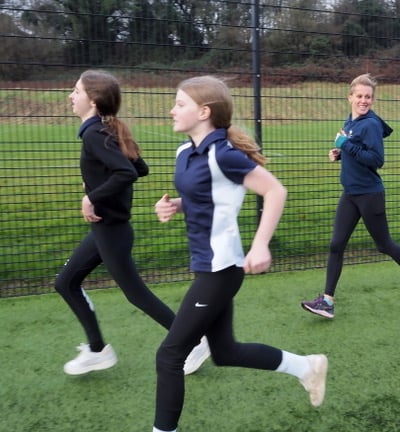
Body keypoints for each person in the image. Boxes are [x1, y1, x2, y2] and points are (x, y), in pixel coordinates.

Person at [152, 75, 328, 432]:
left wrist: (260, 243)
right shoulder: (185, 152)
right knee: (225, 351)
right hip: (207, 266)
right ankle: (307, 367)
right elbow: (207, 198)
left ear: (204, 112)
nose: (172, 109)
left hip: (221, 269)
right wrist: (177, 206)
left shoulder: (224, 155)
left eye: (180, 103)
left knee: (169, 355)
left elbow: (275, 191)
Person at [55, 69, 209, 376]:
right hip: (106, 230)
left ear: (94, 100)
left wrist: (92, 197)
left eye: (76, 91)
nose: (71, 96)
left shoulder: (94, 133)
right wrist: (98, 187)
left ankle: (193, 342)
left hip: (111, 231)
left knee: (136, 293)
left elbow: (125, 172)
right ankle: (98, 350)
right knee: (66, 282)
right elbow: (140, 167)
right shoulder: (104, 129)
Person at [301, 73, 400, 319]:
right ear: (350, 97)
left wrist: (346, 145)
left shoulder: (371, 125)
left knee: (384, 245)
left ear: (373, 100)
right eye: (359, 96)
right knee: (336, 245)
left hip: (370, 195)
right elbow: (357, 152)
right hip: (351, 194)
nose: (363, 101)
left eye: (368, 97)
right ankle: (327, 302)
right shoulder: (352, 120)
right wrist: (341, 153)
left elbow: (376, 160)